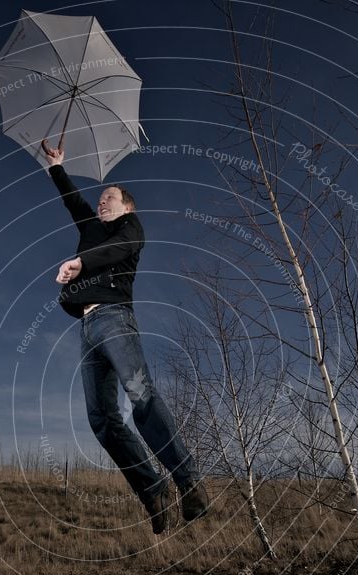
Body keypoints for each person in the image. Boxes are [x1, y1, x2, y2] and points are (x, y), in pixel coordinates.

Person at [43, 142, 209, 534]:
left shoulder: (130, 228)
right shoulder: (91, 228)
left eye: (109, 198)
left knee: (141, 396)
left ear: (126, 206)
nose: (101, 203)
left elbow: (122, 247)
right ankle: (152, 489)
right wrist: (57, 167)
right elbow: (72, 201)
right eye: (100, 199)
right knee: (101, 419)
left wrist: (80, 262)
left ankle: (188, 482)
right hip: (86, 329)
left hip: (115, 320)